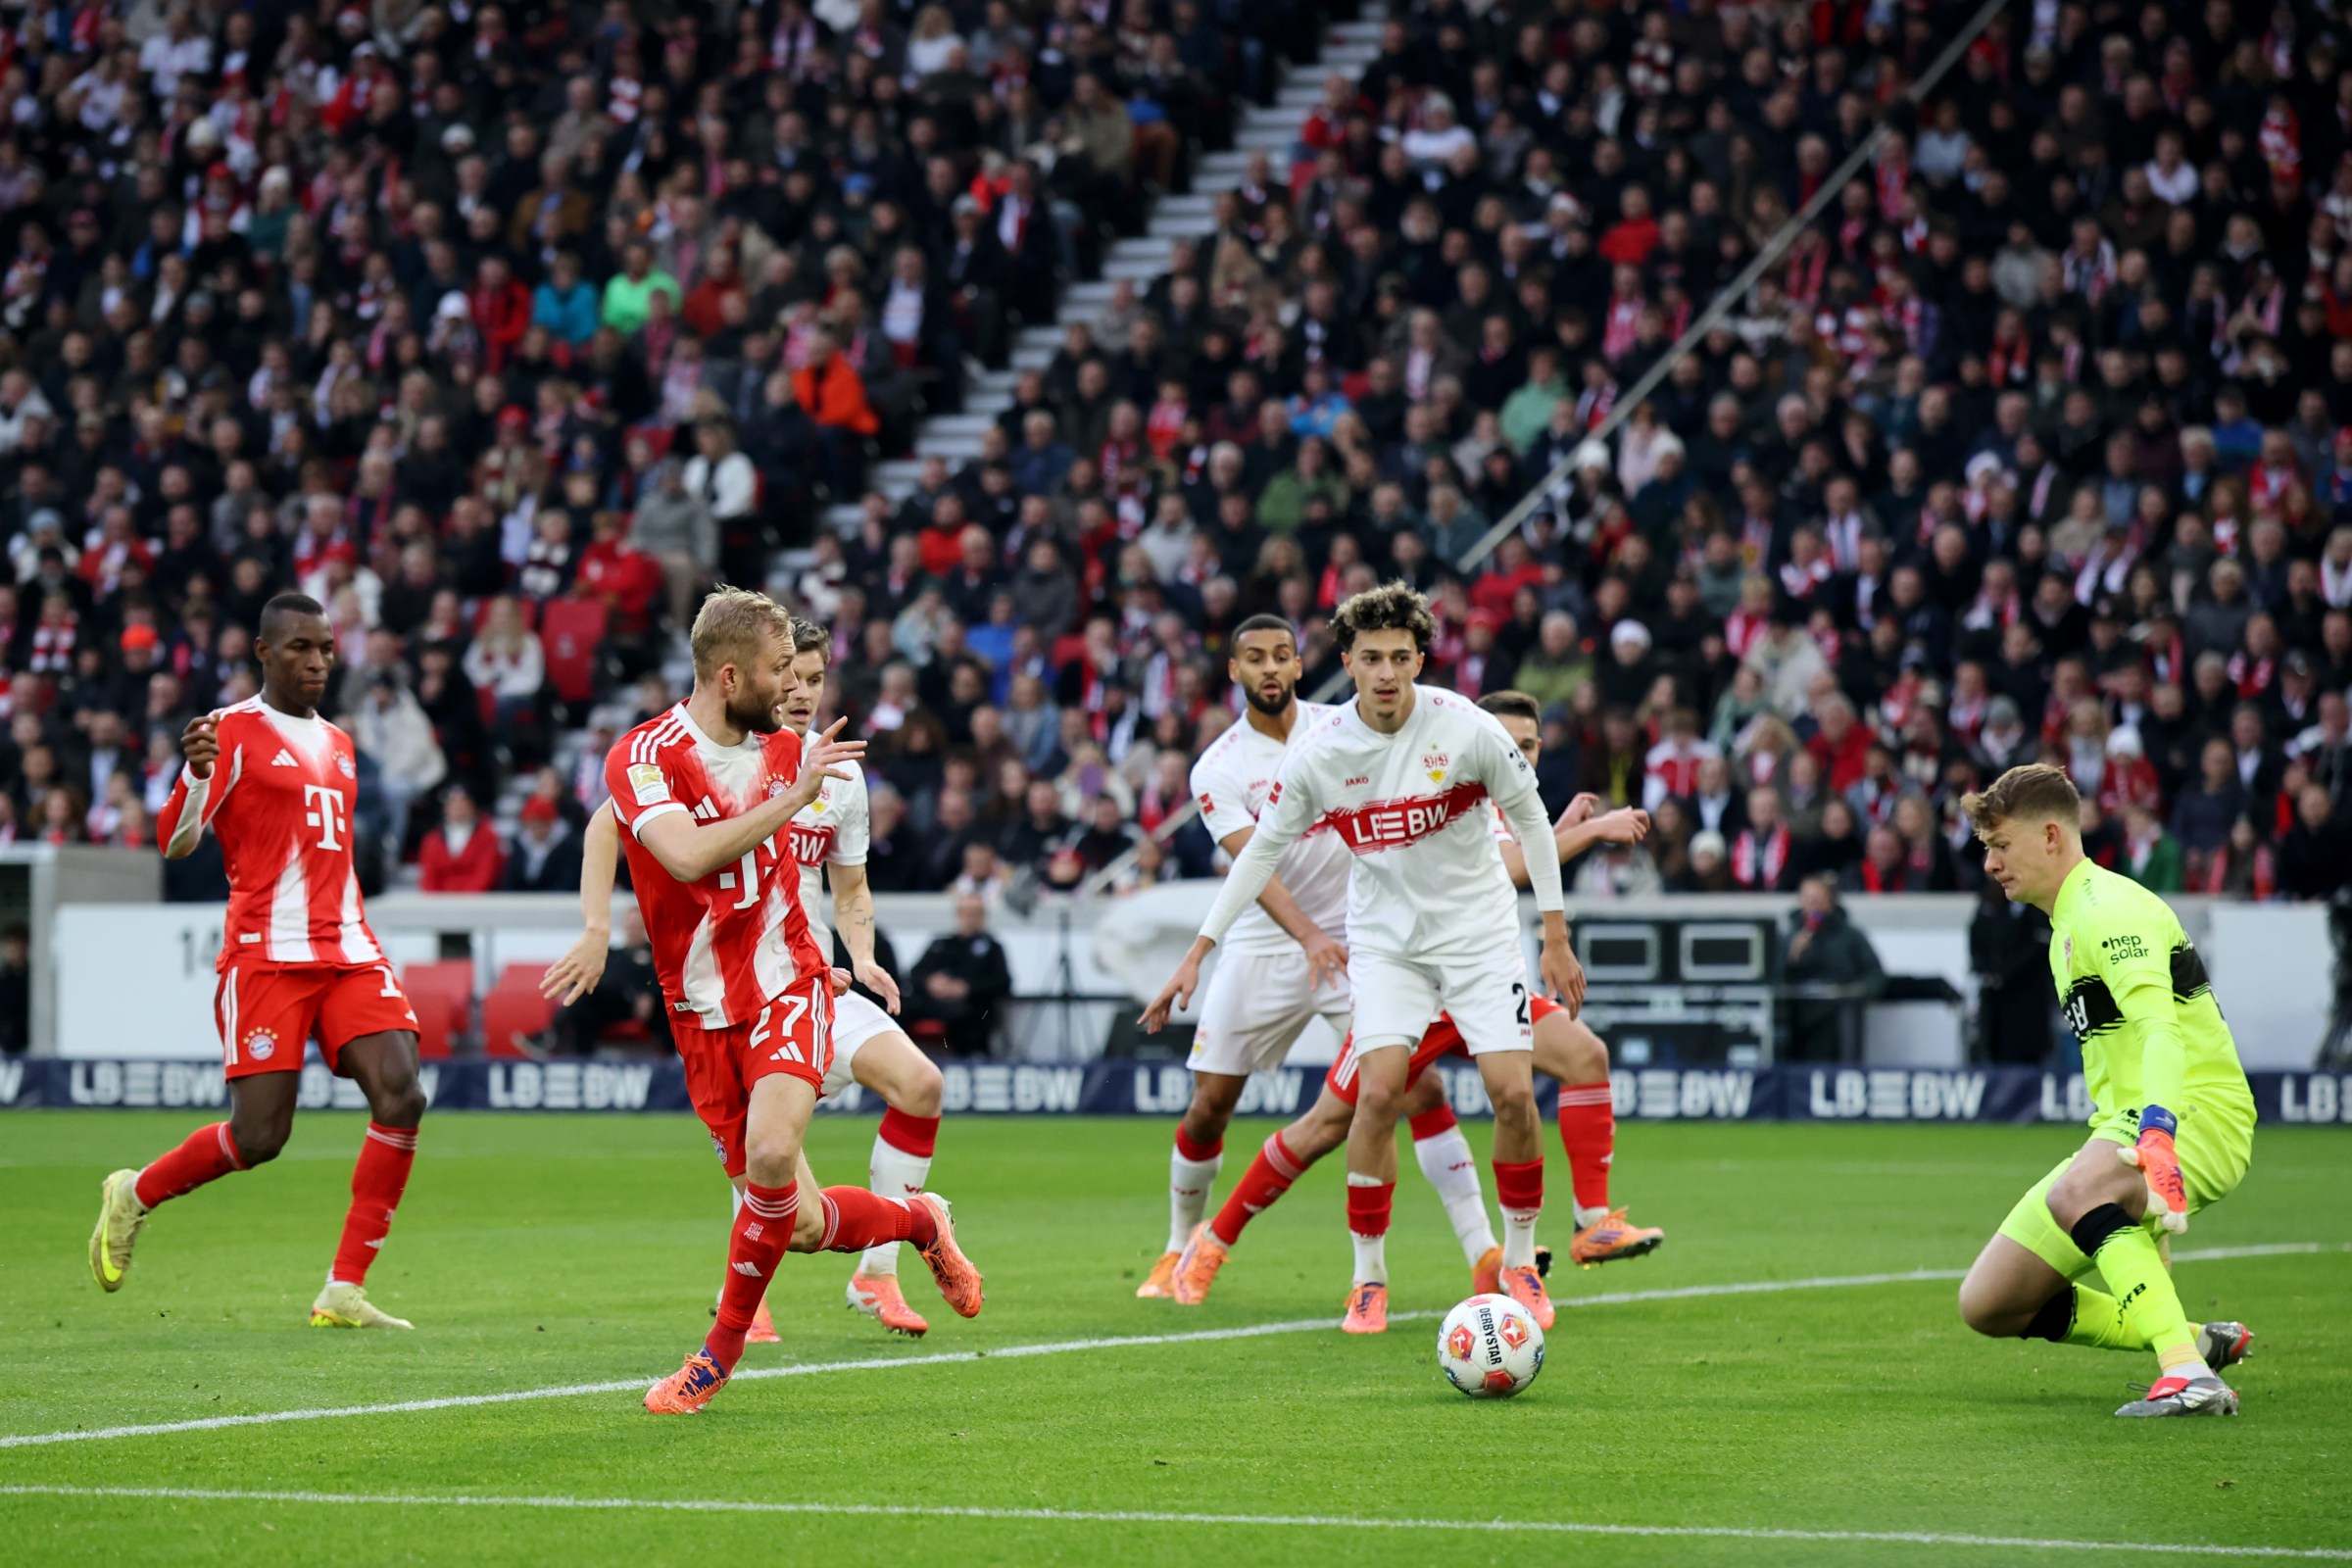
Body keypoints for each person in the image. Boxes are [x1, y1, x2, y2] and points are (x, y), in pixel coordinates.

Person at [1143, 582, 1583, 1335]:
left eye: (1400, 658)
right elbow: (1258, 859)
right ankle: (1367, 1277)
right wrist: (1198, 952)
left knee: (1512, 1094)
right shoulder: (1323, 753)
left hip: (1478, 939)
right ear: (1347, 662)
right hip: (1384, 946)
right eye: (1371, 658)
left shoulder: (1467, 728)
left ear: (1420, 660)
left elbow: (1534, 821)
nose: (1386, 673)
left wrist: (1554, 933)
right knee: (1378, 1095)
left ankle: (1515, 1260)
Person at [599, 588, 981, 1415]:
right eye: (781, 673)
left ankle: (711, 1364)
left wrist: (855, 956)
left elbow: (843, 882)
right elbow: (687, 855)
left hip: (789, 983)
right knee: (798, 1222)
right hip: (699, 1010)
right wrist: (597, 926)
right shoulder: (643, 755)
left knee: (771, 1158)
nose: (795, 692)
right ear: (730, 675)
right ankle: (919, 1222)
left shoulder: (795, 753)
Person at [1169, 691, 1665, 1318]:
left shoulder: (1495, 788)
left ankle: (1588, 1221)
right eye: (1511, 744)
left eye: (1531, 746)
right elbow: (1511, 863)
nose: (1520, 755)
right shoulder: (1446, 769)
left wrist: (1563, 829)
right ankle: (1214, 1239)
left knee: (1582, 1055)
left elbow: (1516, 846)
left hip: (1479, 977)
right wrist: (1590, 831)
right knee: (1331, 1123)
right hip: (1409, 984)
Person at [93, 593, 425, 1331]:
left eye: (326, 650)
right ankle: (135, 1192)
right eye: (301, 648)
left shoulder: (340, 745)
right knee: (260, 1138)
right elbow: (176, 842)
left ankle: (344, 1287)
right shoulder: (228, 732)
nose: (316, 661)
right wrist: (198, 776)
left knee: (402, 1094)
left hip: (348, 951)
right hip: (267, 956)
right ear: (264, 652)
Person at [1955, 764, 2257, 1418]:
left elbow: (2159, 1031)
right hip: (2125, 1123)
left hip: (2193, 1112)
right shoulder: (2066, 926)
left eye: (2001, 846)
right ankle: (2198, 1343)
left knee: (2077, 1192)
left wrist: (2157, 1131)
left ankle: (2186, 1376)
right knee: (1991, 1302)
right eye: (1987, 849)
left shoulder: (2107, 909)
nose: (1991, 864)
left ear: (2054, 837)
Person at [1136, 613, 1356, 1300]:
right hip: (1264, 944)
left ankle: (1480, 1251)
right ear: (1234, 671)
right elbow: (1252, 867)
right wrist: (1301, 937)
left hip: (1354, 941)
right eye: (1254, 657)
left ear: (1298, 666)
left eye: (1281, 656)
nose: (1269, 668)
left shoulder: (1343, 729)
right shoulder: (1219, 767)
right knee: (1210, 1106)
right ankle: (1179, 1246)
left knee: (1411, 1088)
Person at [1782, 873, 1884, 1059]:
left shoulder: (1850, 936)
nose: (1813, 905)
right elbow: (1775, 978)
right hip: (1797, 1014)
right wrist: (1791, 957)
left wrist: (1853, 991)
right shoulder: (1788, 936)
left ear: (1831, 901)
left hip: (1837, 1014)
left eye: (1818, 899)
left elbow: (1875, 975)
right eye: (1808, 899)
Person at [908, 894, 1013, 1054]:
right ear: (957, 915)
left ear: (983, 917)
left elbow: (1003, 982)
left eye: (974, 913)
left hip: (974, 1007)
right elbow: (914, 973)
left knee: (965, 1018)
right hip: (935, 1004)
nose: (969, 918)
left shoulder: (992, 948)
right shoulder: (941, 944)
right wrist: (930, 982)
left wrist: (967, 988)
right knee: (901, 1010)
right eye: (965, 913)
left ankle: (963, 1061)